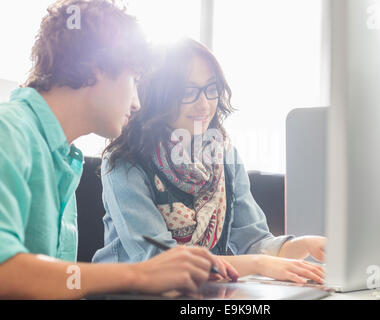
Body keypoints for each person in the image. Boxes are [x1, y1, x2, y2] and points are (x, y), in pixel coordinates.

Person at [0, 0, 237, 300]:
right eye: (134, 80)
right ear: (96, 66)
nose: (138, 102)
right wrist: (141, 273)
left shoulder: (61, 156)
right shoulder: (9, 130)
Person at [93, 37, 327, 285]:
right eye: (188, 91)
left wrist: (304, 245)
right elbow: (164, 262)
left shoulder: (225, 155)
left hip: (204, 292)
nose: (204, 104)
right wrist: (260, 264)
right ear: (158, 94)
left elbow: (253, 242)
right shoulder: (123, 163)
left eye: (211, 88)